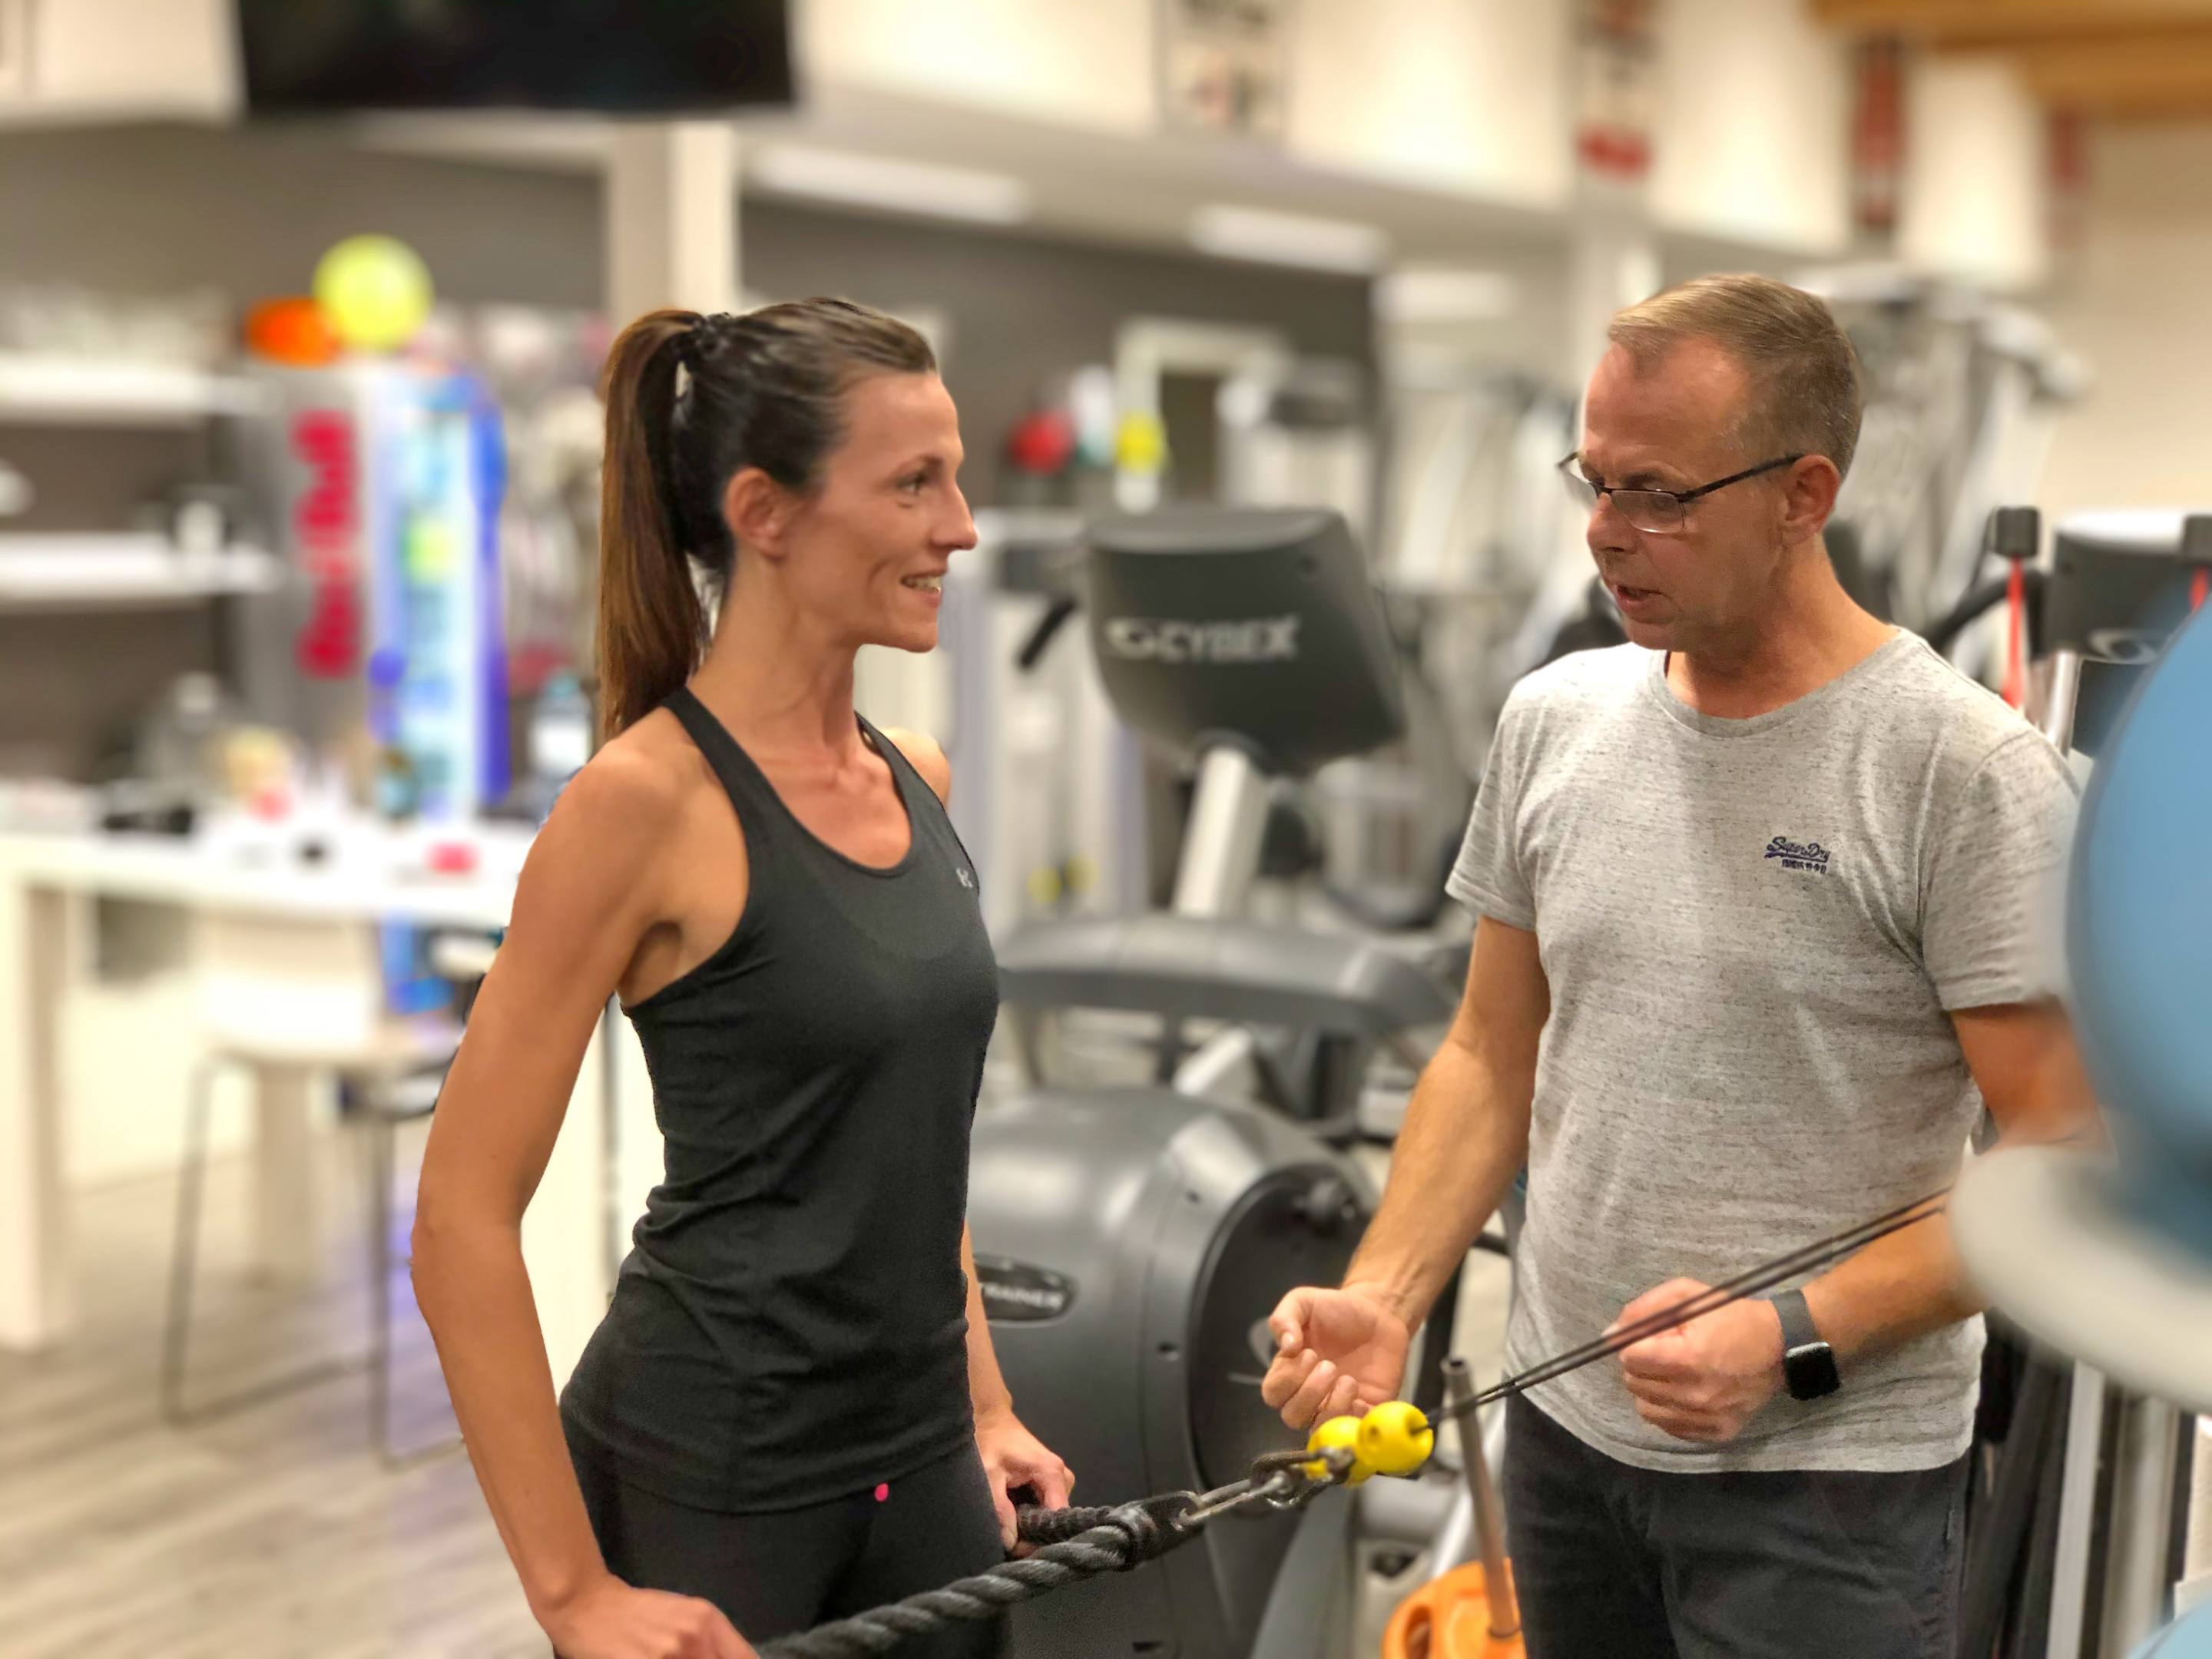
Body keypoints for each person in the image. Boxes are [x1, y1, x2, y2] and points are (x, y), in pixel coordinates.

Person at [1260, 273, 2098, 1657]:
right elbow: (1489, 1052)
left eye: (1658, 494)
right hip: (1563, 1438)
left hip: (1824, 1491)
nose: (1606, 532)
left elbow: (2065, 1157)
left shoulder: (1959, 770)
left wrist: (1791, 1332)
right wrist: (1387, 1293)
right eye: (1594, 482)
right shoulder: (1555, 717)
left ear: (1803, 494)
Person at [413, 298, 1070, 1659]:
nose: (961, 527)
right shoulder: (641, 804)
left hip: (920, 1458)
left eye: (953, 480)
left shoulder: (917, 777)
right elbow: (459, 1218)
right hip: (712, 1473)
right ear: (765, 513)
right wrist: (573, 1594)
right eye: (914, 484)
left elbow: (905, 1152)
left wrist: (987, 1406)